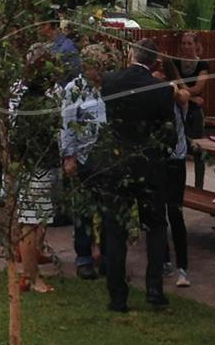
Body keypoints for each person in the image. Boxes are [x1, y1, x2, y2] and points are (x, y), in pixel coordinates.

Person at [78, 40, 188, 311]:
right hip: (149, 168)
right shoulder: (162, 90)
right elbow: (168, 131)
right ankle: (154, 290)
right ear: (155, 64)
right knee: (156, 226)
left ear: (131, 56)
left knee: (114, 229)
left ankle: (117, 296)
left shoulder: (111, 82)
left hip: (115, 164)